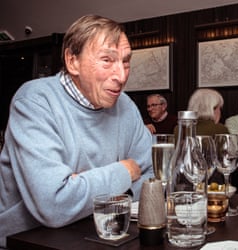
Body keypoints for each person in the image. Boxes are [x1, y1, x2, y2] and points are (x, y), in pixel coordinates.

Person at [0, 14, 154, 248]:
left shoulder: (125, 104)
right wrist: (125, 171)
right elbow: (55, 204)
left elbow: (157, 177)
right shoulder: (35, 101)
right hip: (28, 241)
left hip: (100, 233)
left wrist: (85, 188)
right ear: (73, 61)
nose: (121, 76)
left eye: (125, 61)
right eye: (107, 60)